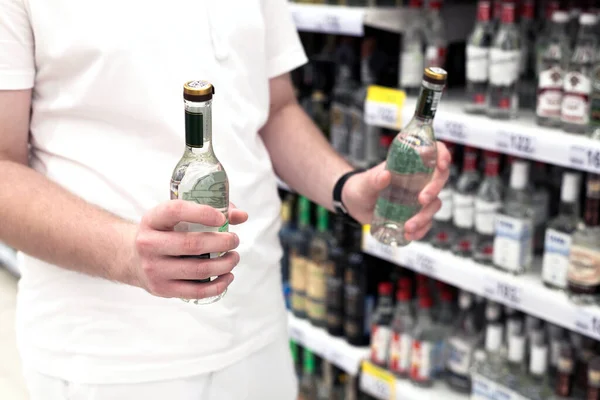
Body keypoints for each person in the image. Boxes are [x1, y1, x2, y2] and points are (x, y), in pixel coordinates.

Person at [0, 0, 450, 399]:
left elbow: (275, 110)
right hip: (109, 357)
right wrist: (126, 254)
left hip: (257, 328)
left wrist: (346, 188)